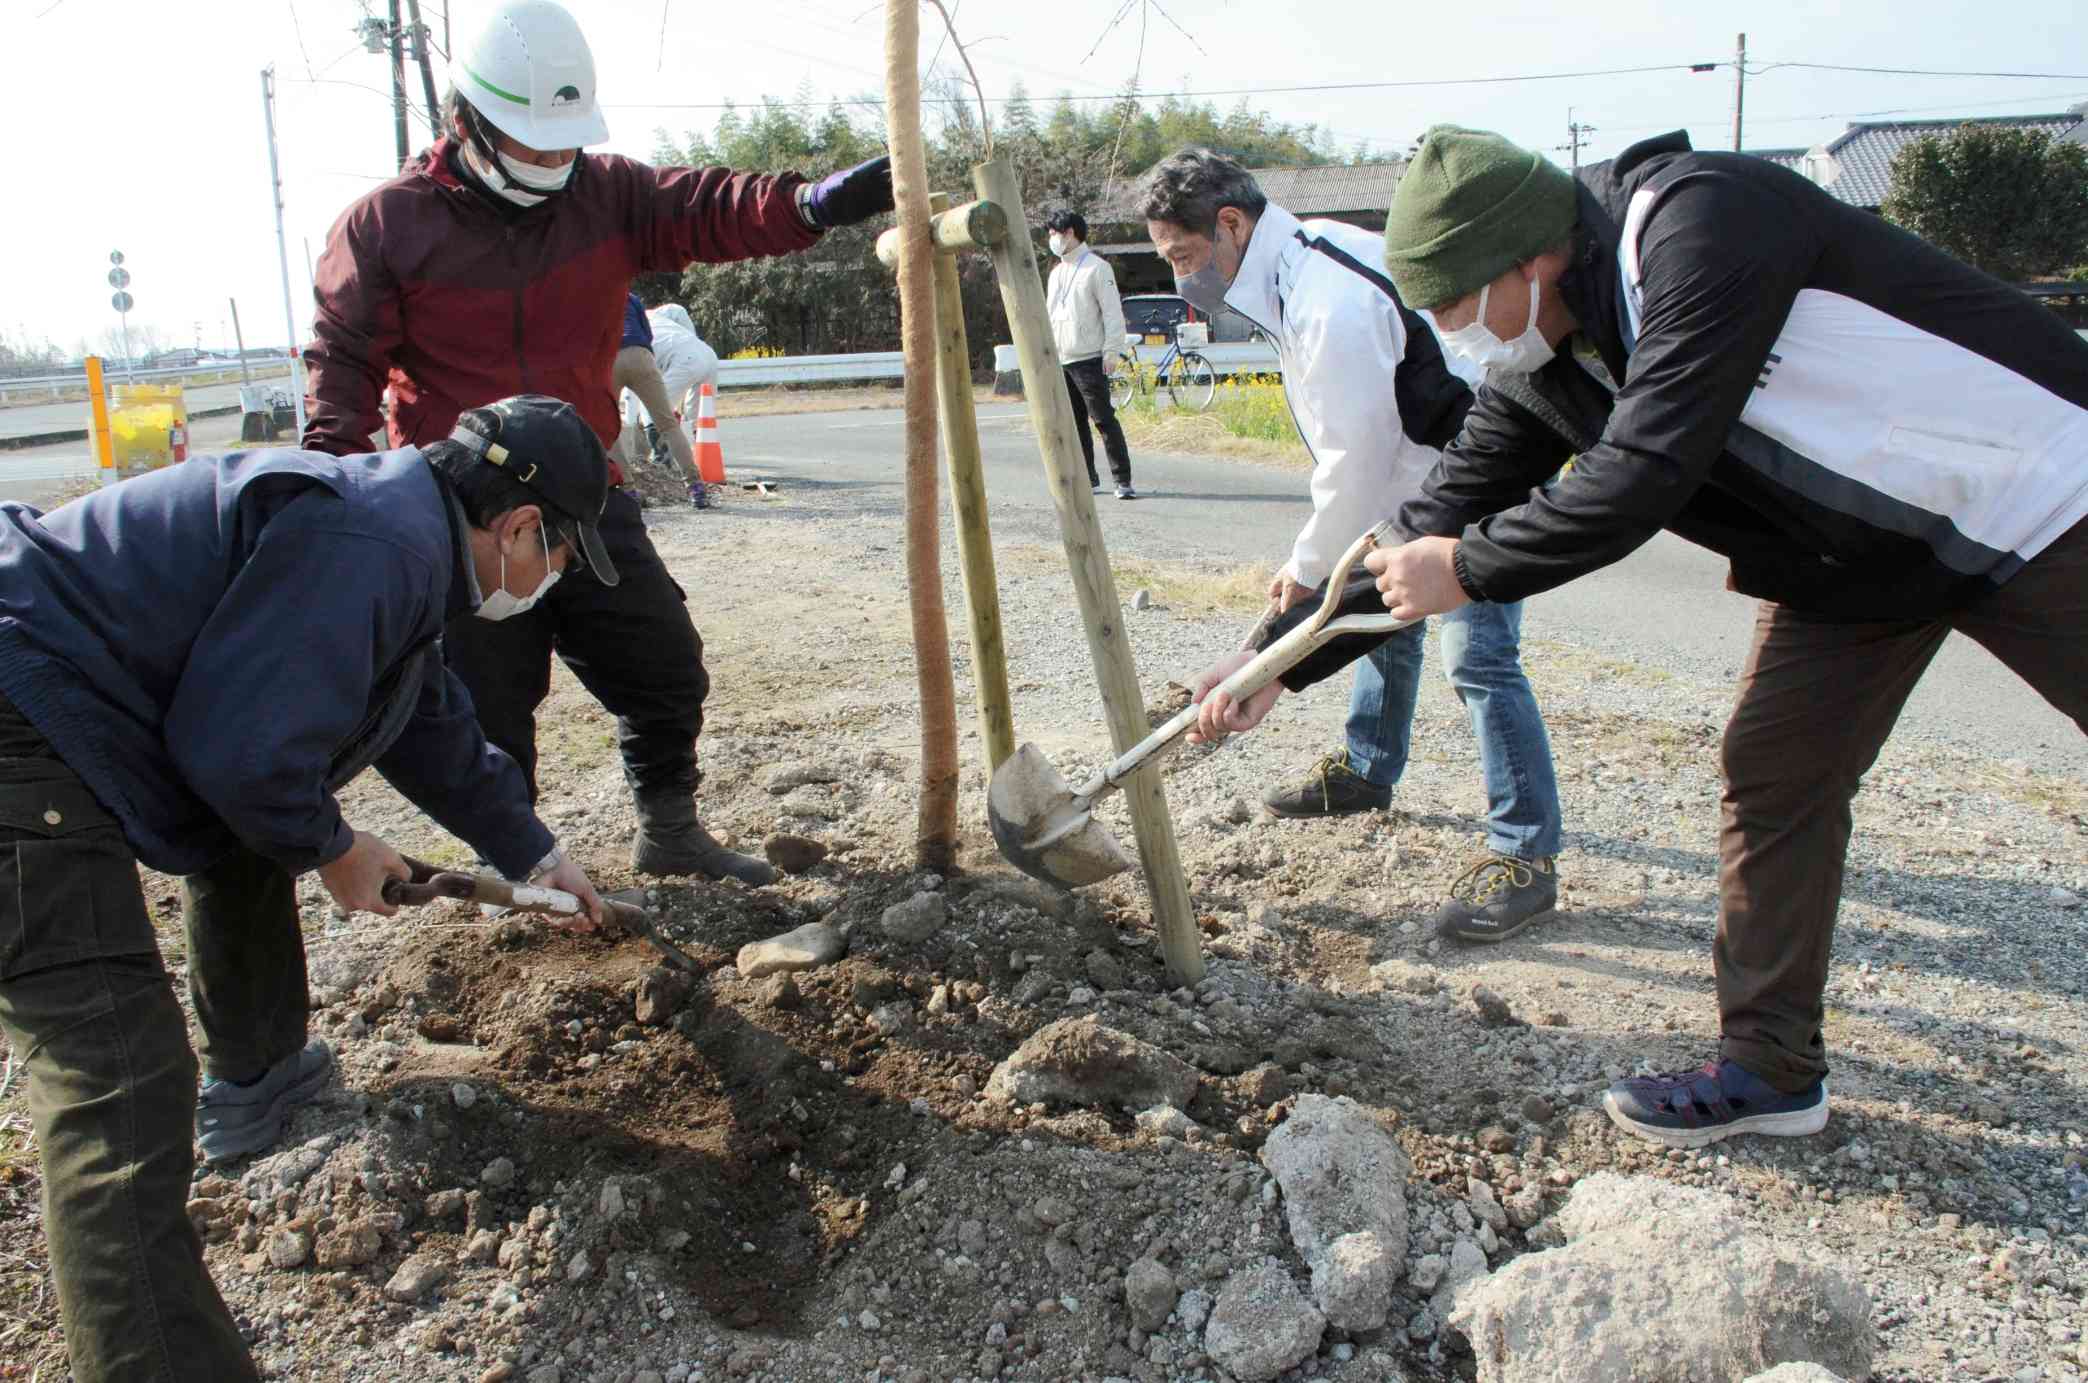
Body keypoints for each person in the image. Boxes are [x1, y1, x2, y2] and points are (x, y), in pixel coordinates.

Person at [1192, 124, 2088, 1150]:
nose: (1457, 337)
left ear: (1530, 260)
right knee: (1774, 774)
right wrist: (1274, 659)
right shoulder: (1547, 357)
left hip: (2045, 496)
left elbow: (1641, 472)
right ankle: (1771, 1070)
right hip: (1860, 566)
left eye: (1452, 309)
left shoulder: (1702, 223)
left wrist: (1470, 570)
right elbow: (1433, 511)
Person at [0, 394, 611, 1381]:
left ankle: (261, 1085)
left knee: (250, 828)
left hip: (49, 683)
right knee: (118, 1078)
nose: (549, 582)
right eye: (561, 561)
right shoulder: (377, 543)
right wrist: (332, 845)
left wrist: (534, 855)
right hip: (20, 705)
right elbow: (237, 752)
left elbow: (426, 723)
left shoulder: (403, 530)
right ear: (521, 528)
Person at [303, 0, 894, 893]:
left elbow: (708, 208)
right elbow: (340, 370)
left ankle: (671, 831)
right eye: (530, 143)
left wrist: (811, 204)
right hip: (456, 516)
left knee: (665, 667)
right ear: (468, 122)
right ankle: (520, 876)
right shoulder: (387, 227)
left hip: (582, 494)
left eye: (562, 143)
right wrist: (333, 503)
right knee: (485, 715)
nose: (550, 161)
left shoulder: (604, 197)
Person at [1140, 148, 1566, 942]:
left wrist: (1306, 570)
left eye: (1185, 257)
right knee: (1380, 627)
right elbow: (1360, 454)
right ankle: (1369, 770)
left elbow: (1356, 459)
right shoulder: (1292, 271)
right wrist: (1315, 563)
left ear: (1230, 224)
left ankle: (1527, 854)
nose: (1180, 279)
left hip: (1476, 481)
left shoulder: (1327, 298)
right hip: (1411, 484)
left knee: (1478, 657)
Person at [1044, 209, 1136, 498]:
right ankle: (1088, 478)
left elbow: (1112, 313)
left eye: (1053, 233)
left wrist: (1112, 351)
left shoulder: (1097, 268)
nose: (1051, 239)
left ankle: (1122, 481)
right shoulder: (1057, 272)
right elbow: (1049, 316)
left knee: (1103, 419)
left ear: (1070, 233)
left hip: (1090, 357)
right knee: (1074, 423)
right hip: (1063, 358)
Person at [611, 292, 699, 490]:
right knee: (668, 424)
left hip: (610, 359)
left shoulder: (587, 299)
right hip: (642, 356)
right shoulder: (629, 296)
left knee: (609, 428)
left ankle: (628, 488)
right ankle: (695, 486)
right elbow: (647, 334)